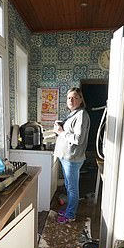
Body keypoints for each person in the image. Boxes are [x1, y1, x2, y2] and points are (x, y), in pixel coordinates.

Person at [53, 87, 90, 224]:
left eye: (75, 97)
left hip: (72, 158)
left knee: (73, 188)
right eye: (69, 98)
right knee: (69, 186)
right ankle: (69, 209)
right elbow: (68, 133)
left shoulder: (81, 115)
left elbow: (78, 139)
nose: (71, 100)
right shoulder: (73, 114)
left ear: (81, 99)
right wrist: (60, 128)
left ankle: (70, 215)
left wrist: (62, 132)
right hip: (66, 157)